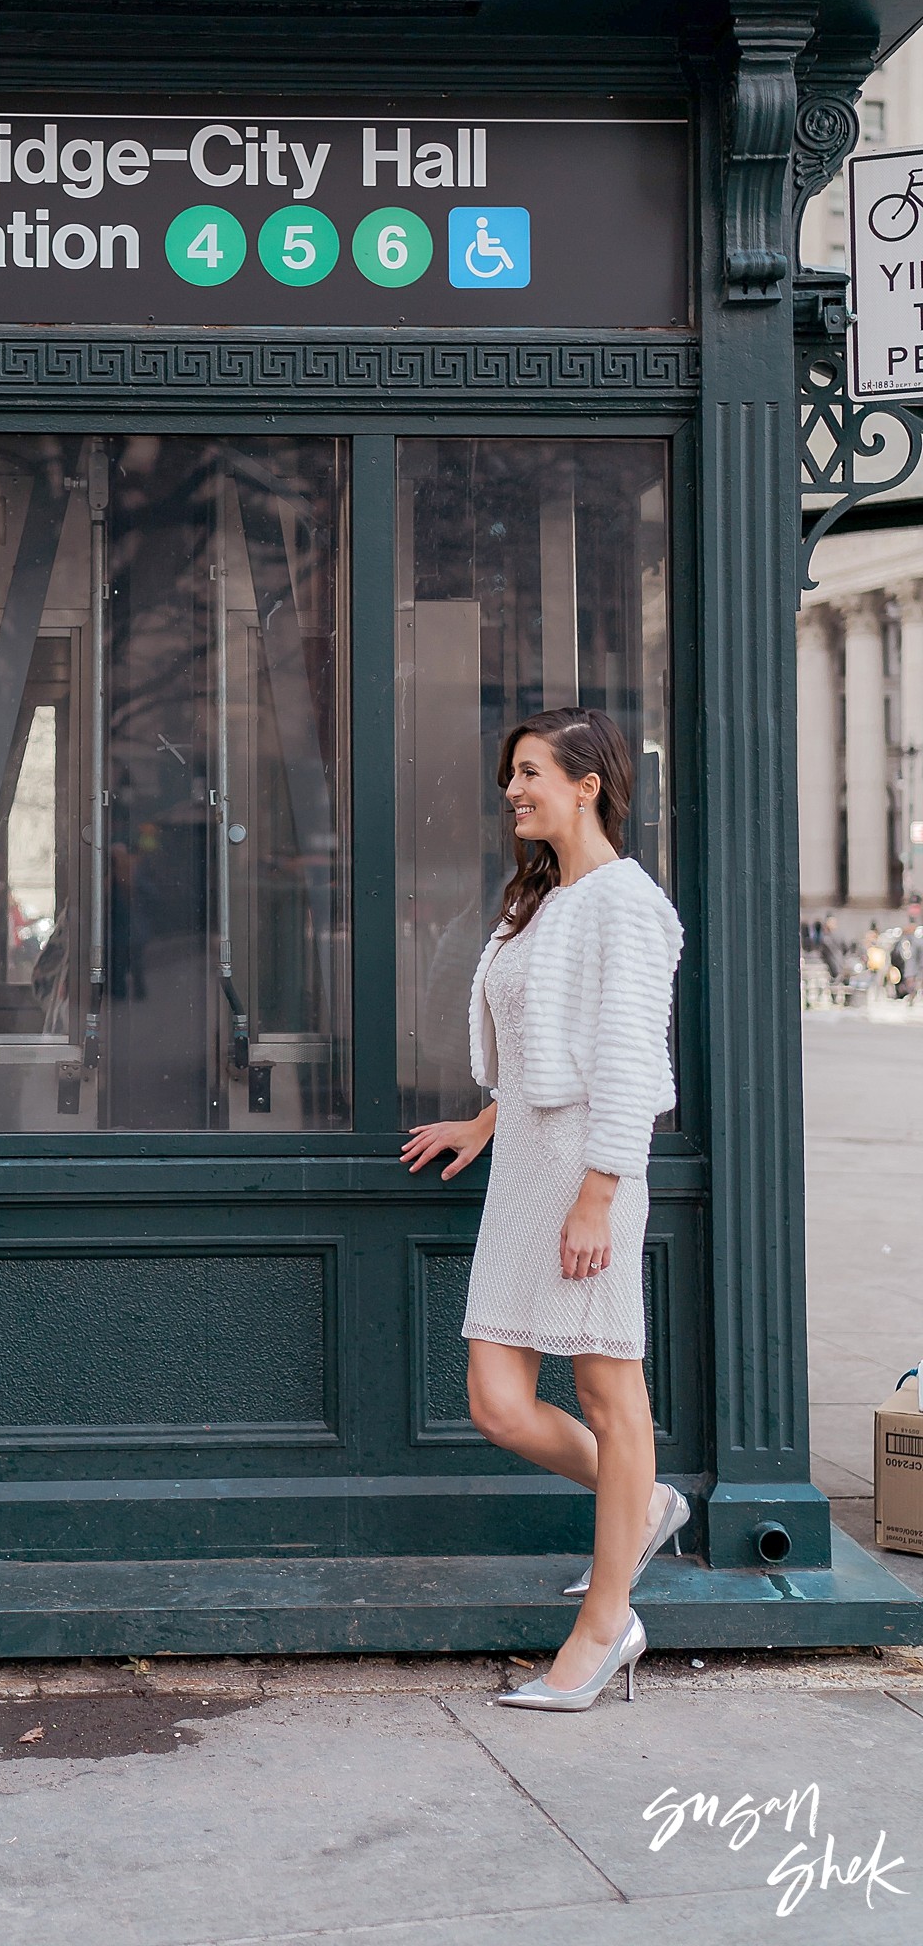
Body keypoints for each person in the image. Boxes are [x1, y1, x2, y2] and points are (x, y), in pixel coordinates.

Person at [401, 706, 683, 1712]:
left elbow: (627, 1064)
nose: (510, 790)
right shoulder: (540, 899)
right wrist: (483, 1122)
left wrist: (598, 1196)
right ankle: (640, 1502)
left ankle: (605, 1626)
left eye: (528, 773)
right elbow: (540, 1041)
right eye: (508, 775)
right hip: (525, 1165)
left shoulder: (624, 902)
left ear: (585, 785)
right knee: (497, 1403)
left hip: (587, 1174)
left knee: (610, 1394)